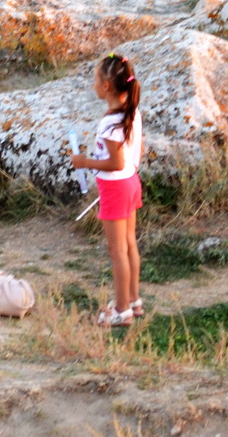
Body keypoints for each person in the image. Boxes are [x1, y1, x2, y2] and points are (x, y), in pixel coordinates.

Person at [69, 52, 143, 327]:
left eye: (95, 80)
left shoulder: (109, 123)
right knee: (129, 244)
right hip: (131, 182)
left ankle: (121, 310)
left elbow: (115, 161)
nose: (93, 85)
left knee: (116, 250)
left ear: (107, 87)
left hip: (115, 187)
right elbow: (134, 153)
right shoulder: (131, 112)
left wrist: (84, 162)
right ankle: (133, 300)